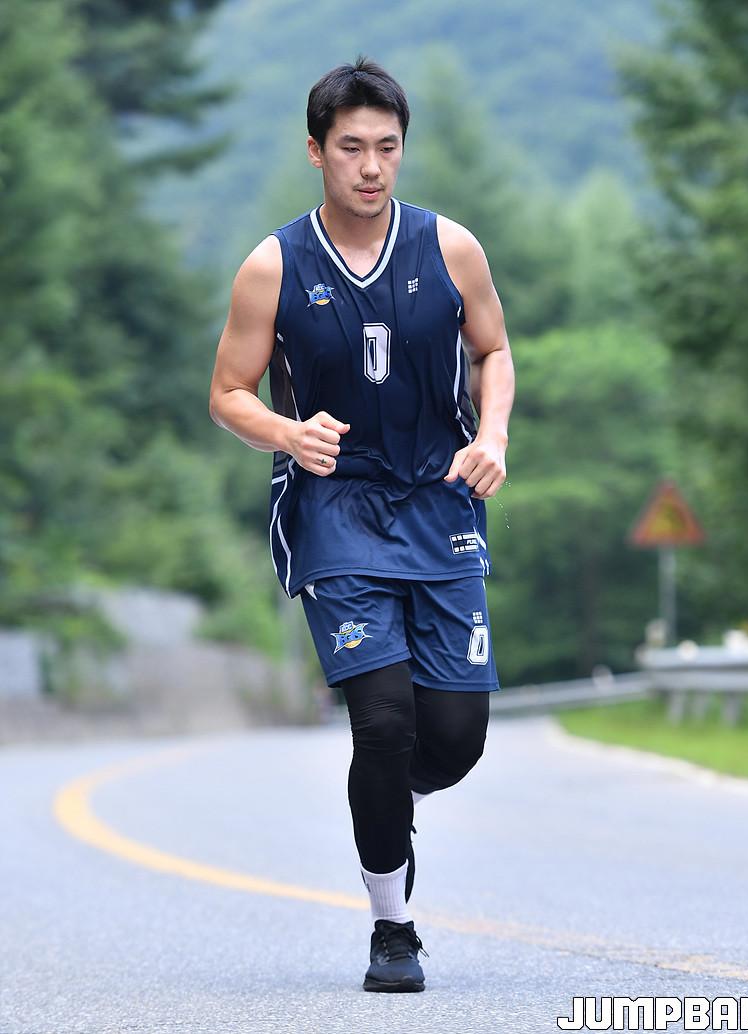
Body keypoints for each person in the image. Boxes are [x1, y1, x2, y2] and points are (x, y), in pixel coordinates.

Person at [209, 57, 514, 993]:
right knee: (381, 723)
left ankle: (388, 800)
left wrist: (493, 435)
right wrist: (286, 432)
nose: (372, 166)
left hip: (440, 501)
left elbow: (493, 350)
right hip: (335, 506)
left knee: (452, 739)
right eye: (351, 148)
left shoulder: (451, 248)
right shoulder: (273, 265)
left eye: (387, 146)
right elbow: (228, 393)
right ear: (317, 152)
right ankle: (393, 928)